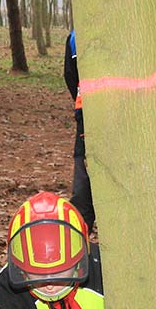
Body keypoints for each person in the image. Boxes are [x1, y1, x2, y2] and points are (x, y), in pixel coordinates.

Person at [64, 30, 96, 227]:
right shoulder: (76, 37)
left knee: (83, 175)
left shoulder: (77, 34)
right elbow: (70, 75)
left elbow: (69, 75)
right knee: (83, 174)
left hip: (86, 110)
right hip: (87, 111)